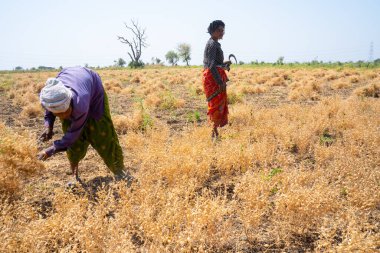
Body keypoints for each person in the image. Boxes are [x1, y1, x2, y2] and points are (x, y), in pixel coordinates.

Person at [38, 66, 132, 182]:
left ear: (69, 102)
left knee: (102, 133)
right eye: (59, 114)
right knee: (73, 142)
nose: (63, 117)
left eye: (65, 112)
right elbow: (50, 108)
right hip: (73, 79)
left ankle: (120, 173)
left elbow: (72, 136)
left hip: (94, 94)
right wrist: (49, 126)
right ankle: (74, 176)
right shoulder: (51, 94)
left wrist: (51, 150)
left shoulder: (79, 104)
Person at [202, 20, 231, 140]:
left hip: (214, 76)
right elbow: (212, 66)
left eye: (223, 30)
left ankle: (215, 133)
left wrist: (224, 65)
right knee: (215, 105)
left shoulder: (214, 43)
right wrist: (220, 82)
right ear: (213, 31)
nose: (222, 32)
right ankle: (213, 133)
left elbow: (215, 64)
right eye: (219, 30)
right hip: (213, 79)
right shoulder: (213, 44)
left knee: (217, 104)